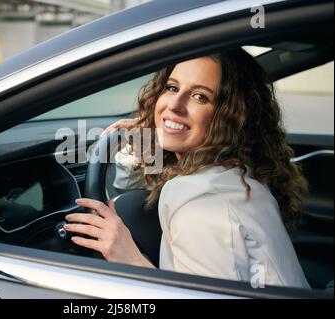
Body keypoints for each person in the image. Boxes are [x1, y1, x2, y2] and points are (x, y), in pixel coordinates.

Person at [64, 49, 310, 288]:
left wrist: (128, 257)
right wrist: (148, 139)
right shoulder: (238, 174)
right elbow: (135, 191)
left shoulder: (201, 207)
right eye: (172, 88)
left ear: (232, 117)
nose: (175, 104)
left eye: (200, 96)